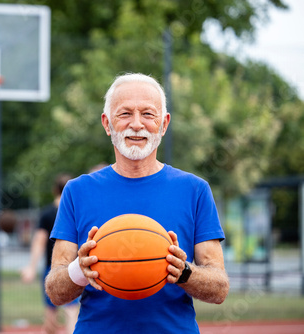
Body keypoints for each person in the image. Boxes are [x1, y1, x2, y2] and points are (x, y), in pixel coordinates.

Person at [45, 73, 229, 333]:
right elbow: (55, 291)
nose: (136, 124)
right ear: (107, 124)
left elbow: (219, 287)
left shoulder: (195, 190)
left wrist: (184, 272)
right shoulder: (77, 191)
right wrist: (79, 269)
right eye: (125, 114)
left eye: (148, 114)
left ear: (163, 124)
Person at [21, 173, 79, 334]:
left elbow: (39, 243)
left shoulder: (47, 213)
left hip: (52, 268)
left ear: (55, 190)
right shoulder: (76, 212)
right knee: (71, 311)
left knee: (50, 314)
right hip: (73, 268)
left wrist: (31, 267)